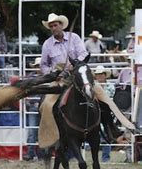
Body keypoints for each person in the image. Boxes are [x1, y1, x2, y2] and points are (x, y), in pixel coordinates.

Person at [38, 13, 135, 149]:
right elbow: (43, 65)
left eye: (55, 25)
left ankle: (113, 130)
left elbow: (83, 53)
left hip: (79, 76)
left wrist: (75, 64)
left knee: (103, 97)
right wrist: (54, 73)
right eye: (51, 26)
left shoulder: (74, 38)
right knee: (46, 104)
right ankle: (51, 138)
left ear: (61, 26)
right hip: (60, 80)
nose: (53, 28)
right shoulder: (47, 45)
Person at [23, 57, 42, 161]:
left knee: (42, 130)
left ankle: (41, 153)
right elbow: (26, 93)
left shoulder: (47, 77)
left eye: (40, 65)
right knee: (32, 130)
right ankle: (31, 153)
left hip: (43, 108)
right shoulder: (30, 78)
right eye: (37, 66)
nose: (39, 68)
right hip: (34, 107)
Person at [93, 65, 114, 162]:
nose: (99, 76)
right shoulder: (93, 86)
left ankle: (105, 158)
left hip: (106, 113)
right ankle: (98, 158)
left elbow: (110, 100)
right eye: (97, 74)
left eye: (101, 74)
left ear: (105, 75)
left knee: (106, 134)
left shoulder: (110, 86)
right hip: (95, 113)